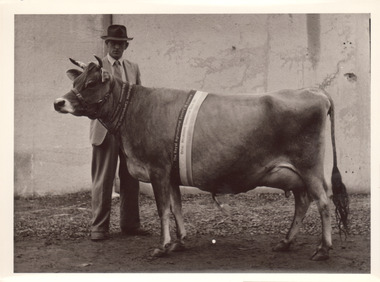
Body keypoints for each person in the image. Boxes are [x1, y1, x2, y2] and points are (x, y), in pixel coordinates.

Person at [90, 24, 148, 241]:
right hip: (104, 131)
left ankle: (130, 225)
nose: (116, 47)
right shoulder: (96, 67)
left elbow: (139, 97)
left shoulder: (133, 68)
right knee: (103, 181)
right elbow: (91, 98)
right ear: (107, 44)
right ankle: (99, 228)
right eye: (113, 43)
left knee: (132, 177)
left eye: (120, 44)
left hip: (128, 133)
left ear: (126, 46)